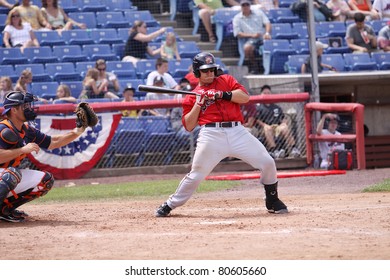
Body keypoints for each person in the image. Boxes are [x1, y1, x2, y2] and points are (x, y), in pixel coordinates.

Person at [155, 52, 288, 217]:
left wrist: (221, 94)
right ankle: (170, 204)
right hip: (211, 135)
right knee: (197, 173)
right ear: (197, 73)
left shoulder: (226, 80)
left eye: (212, 69)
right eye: (205, 71)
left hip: (237, 131)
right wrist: (199, 104)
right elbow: (189, 126)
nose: (210, 73)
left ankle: (272, 200)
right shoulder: (194, 95)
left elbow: (245, 98)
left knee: (268, 162)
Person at [0, 91, 89, 222]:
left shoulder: (26, 130)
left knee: (45, 180)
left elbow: (54, 142)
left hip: (6, 175)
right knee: (12, 174)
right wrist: (22, 149)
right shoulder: (3, 128)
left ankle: (4, 210)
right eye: (25, 106)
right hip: (6, 174)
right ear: (13, 110)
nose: (29, 108)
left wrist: (78, 131)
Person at [254, 85, 301, 158]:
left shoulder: (276, 107)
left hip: (277, 128)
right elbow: (257, 120)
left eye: (268, 93)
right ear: (261, 94)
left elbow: (283, 118)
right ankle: (274, 150)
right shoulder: (258, 107)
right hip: (264, 129)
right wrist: (265, 125)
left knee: (284, 127)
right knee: (267, 129)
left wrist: (283, 124)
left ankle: (293, 149)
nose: (267, 94)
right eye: (264, 93)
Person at [233, 0, 272, 74]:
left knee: (271, 44)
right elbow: (237, 33)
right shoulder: (237, 18)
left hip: (263, 37)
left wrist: (267, 33)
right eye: (243, 5)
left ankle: (271, 67)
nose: (245, 7)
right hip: (250, 39)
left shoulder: (259, 12)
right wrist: (252, 35)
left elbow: (267, 23)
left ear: (250, 5)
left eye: (247, 5)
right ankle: (254, 65)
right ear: (241, 7)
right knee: (247, 48)